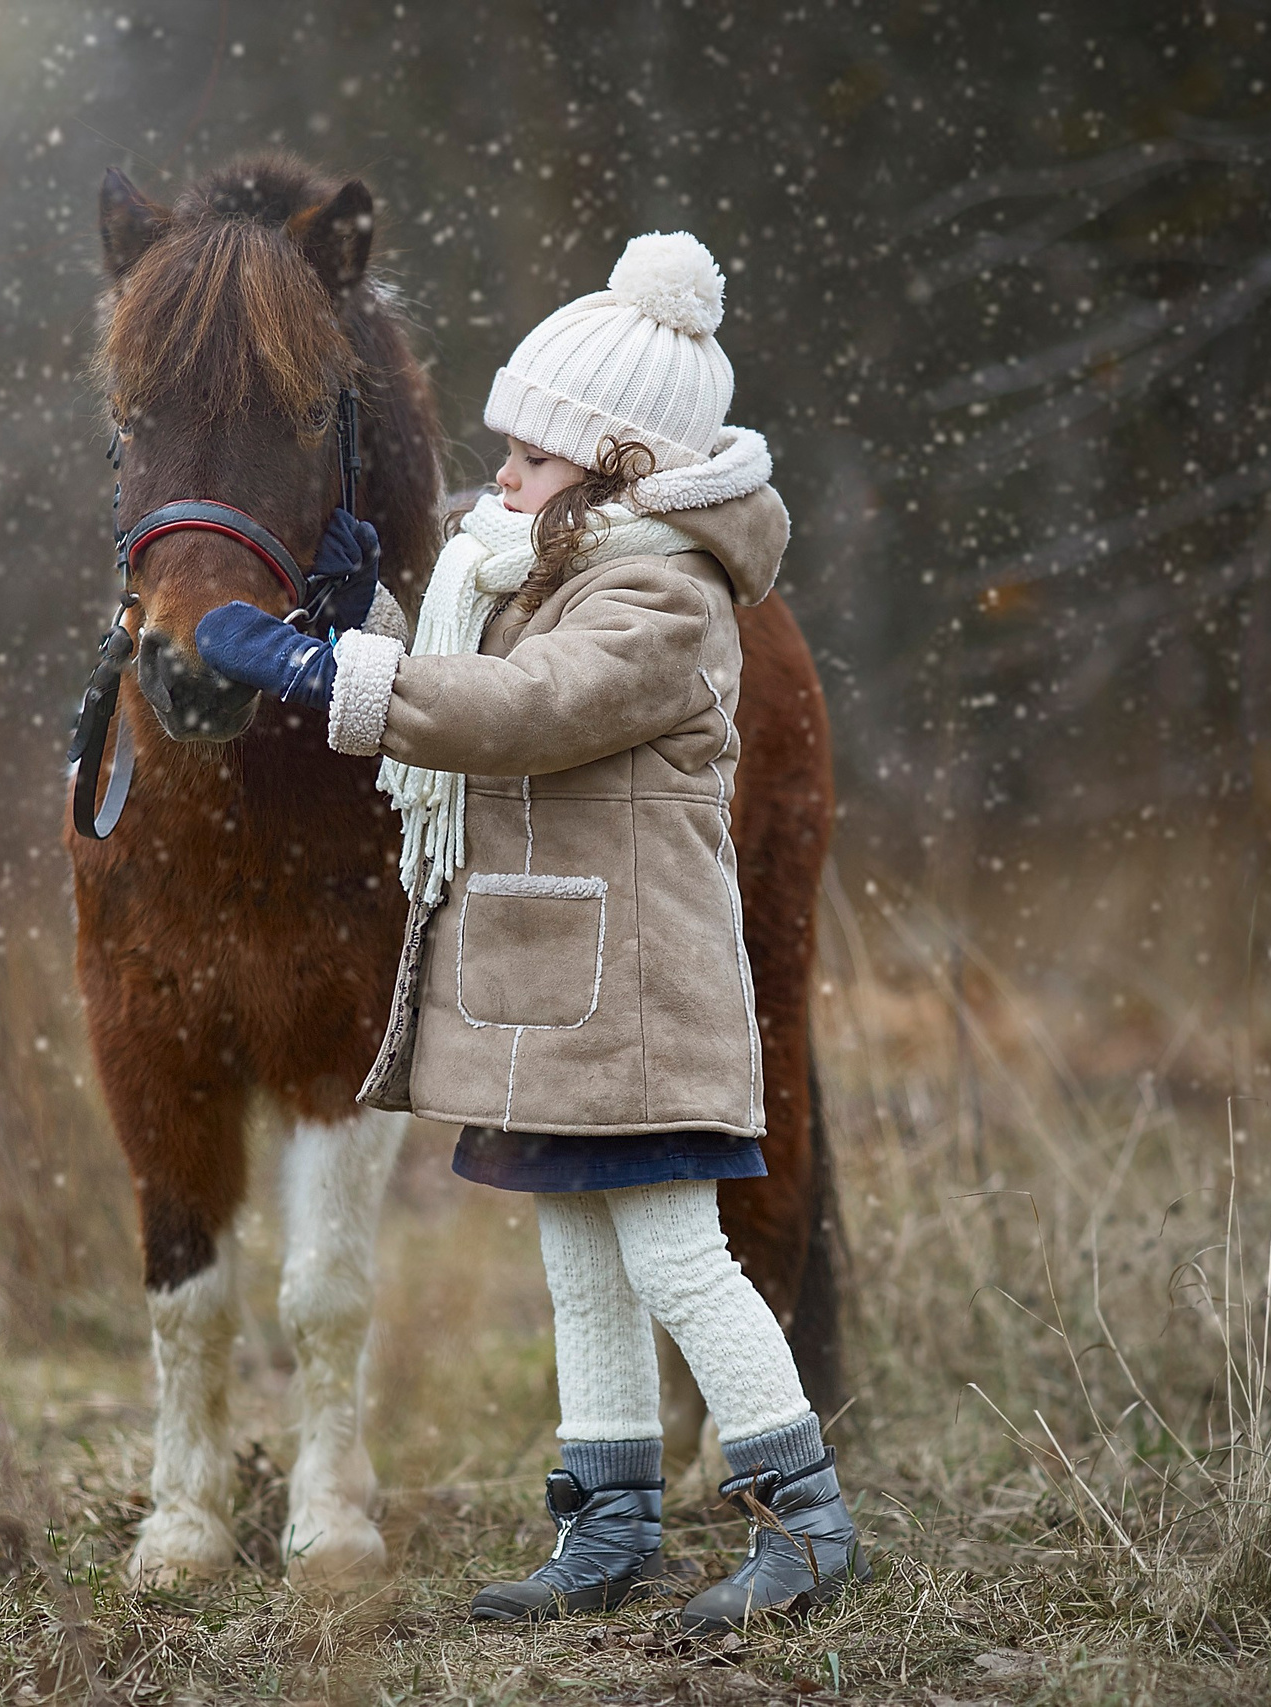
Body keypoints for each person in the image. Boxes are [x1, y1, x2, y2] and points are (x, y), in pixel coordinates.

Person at [194, 232, 864, 1631]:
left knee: (680, 1254)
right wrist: (360, 614)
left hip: (642, 991)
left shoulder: (662, 595)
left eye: (532, 458)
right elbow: (463, 672)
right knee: (581, 1256)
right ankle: (609, 1517)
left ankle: (802, 1514)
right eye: (501, 449)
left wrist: (327, 675)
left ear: (622, 468)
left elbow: (521, 710)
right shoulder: (547, 575)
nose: (499, 480)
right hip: (564, 991)